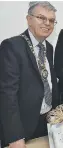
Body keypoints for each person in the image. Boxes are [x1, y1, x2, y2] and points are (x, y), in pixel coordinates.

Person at [0, 1, 58, 148]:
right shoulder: (12, 46)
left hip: (46, 123)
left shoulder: (49, 48)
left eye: (51, 20)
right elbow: (7, 95)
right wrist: (15, 136)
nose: (47, 23)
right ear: (28, 19)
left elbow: (48, 82)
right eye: (41, 17)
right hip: (22, 129)